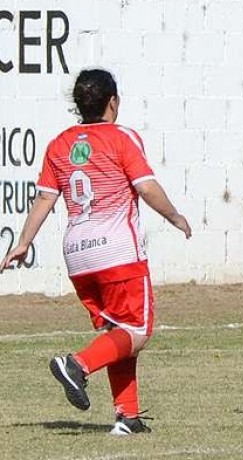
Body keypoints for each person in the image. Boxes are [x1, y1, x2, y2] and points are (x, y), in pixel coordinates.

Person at [0, 68, 192, 435]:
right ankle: (77, 365)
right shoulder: (122, 138)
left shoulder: (59, 144)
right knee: (139, 330)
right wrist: (174, 216)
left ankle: (127, 416)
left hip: (78, 254)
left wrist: (23, 243)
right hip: (117, 251)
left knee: (117, 333)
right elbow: (147, 187)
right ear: (112, 102)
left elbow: (45, 198)